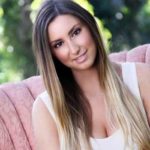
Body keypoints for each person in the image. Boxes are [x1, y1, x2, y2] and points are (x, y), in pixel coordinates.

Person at [31, 0, 150, 149]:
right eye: (59, 44)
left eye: (76, 32)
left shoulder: (141, 78)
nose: (74, 49)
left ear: (90, 26)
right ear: (51, 54)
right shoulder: (45, 109)